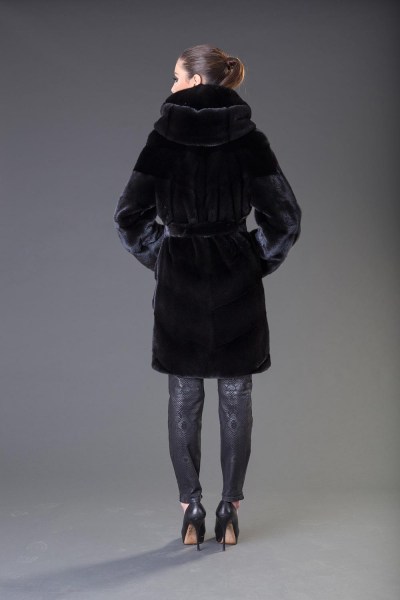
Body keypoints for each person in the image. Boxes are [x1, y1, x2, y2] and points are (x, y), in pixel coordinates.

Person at [113, 44, 302, 551]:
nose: (172, 85)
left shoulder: (162, 139)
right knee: (236, 394)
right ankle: (230, 509)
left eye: (176, 76)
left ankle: (191, 508)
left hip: (180, 282)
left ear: (196, 81)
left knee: (183, 394)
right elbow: (285, 219)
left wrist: (165, 257)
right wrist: (251, 261)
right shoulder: (248, 139)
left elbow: (129, 217)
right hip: (236, 281)